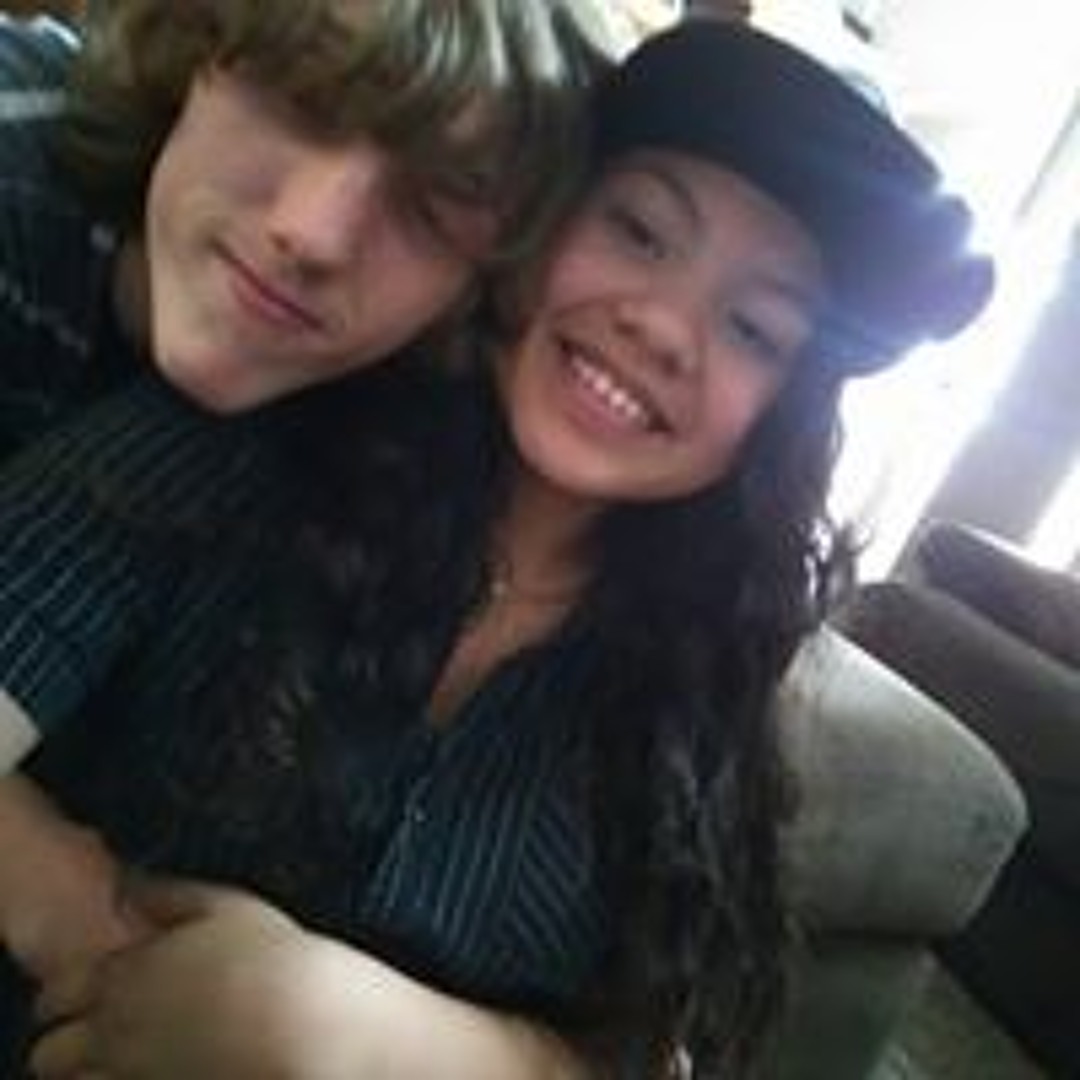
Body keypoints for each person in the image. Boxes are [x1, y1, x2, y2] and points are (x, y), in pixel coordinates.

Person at [5, 19, 993, 1080]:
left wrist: (361, 1037)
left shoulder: (694, 684)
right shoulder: (250, 436)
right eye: (640, 231)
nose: (665, 328)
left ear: (780, 416)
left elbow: (651, 1045)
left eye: (755, 328)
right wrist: (97, 937)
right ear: (531, 232)